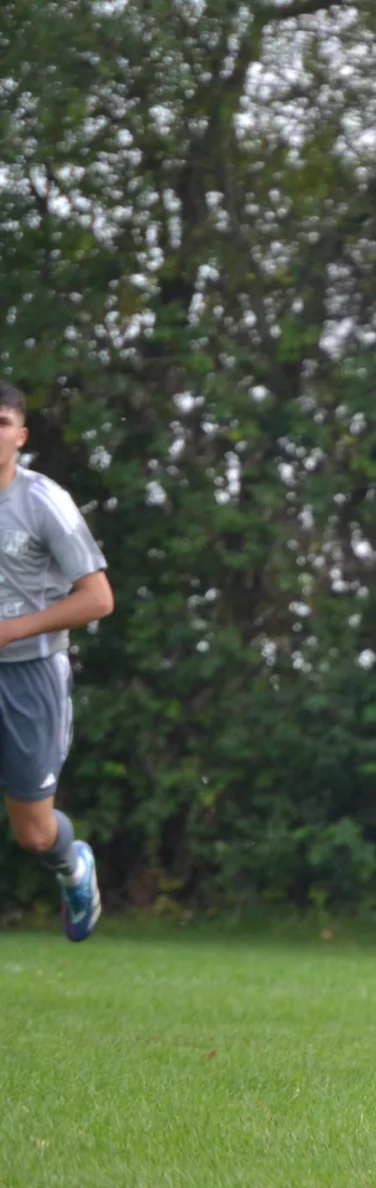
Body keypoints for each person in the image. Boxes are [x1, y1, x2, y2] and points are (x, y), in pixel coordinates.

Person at [0, 380, 111, 942]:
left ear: (21, 435)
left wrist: (9, 632)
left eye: (1, 423)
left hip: (30, 675)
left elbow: (98, 599)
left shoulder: (44, 500)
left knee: (35, 834)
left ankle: (73, 864)